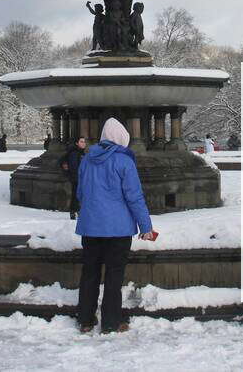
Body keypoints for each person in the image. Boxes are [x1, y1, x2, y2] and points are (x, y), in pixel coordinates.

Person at [75, 118, 155, 334]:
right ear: (121, 139)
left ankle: (85, 319)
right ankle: (110, 321)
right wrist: (146, 227)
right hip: (118, 229)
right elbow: (134, 197)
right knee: (114, 274)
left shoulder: (86, 159)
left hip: (91, 227)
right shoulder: (124, 161)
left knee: (89, 272)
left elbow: (80, 193)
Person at [60, 136, 87, 219]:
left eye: (84, 142)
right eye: (81, 141)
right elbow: (74, 167)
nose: (84, 143)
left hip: (79, 178)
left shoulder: (81, 152)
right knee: (76, 195)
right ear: (77, 143)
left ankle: (77, 211)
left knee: (77, 195)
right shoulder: (75, 153)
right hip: (76, 178)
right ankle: (74, 212)